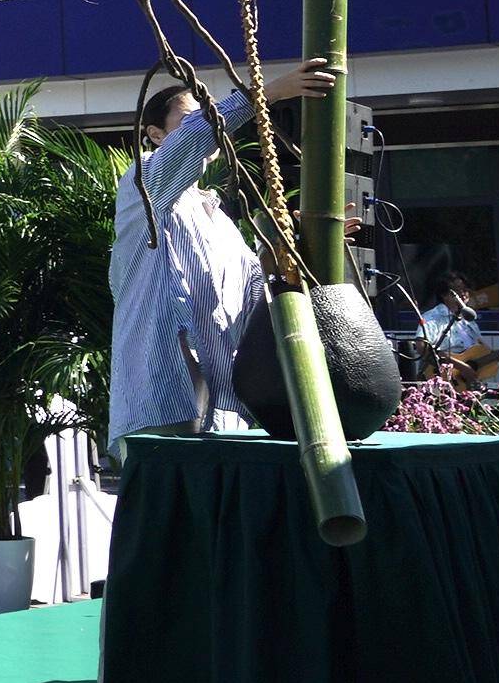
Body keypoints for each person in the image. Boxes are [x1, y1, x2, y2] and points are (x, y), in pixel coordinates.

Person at [106, 59, 338, 451]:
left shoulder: (218, 219)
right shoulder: (144, 181)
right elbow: (193, 139)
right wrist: (264, 95)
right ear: (155, 134)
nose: (207, 121)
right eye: (189, 116)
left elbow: (256, 290)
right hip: (161, 402)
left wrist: (305, 240)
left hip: (223, 411)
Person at [418, 273, 493, 385]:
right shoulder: (432, 317)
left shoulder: (469, 320)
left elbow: (480, 350)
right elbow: (422, 348)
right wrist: (461, 366)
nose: (463, 293)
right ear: (444, 294)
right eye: (458, 289)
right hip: (440, 381)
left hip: (467, 383)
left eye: (466, 289)